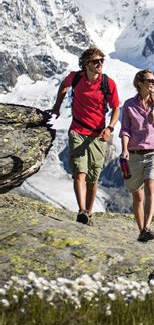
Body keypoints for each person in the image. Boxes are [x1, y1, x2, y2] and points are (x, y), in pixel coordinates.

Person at [49, 47, 120, 226]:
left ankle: (88, 213)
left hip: (98, 135)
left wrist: (110, 128)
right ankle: (81, 210)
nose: (100, 64)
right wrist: (57, 106)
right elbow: (63, 86)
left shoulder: (107, 83)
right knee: (80, 173)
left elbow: (116, 108)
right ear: (86, 64)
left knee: (93, 178)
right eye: (96, 61)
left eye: (102, 60)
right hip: (78, 131)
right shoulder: (76, 77)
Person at [119, 69, 154, 242]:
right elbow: (125, 129)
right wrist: (125, 149)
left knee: (151, 187)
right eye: (150, 80)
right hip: (134, 153)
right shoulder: (128, 105)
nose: (153, 83)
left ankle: (148, 226)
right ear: (140, 83)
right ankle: (142, 230)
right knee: (138, 195)